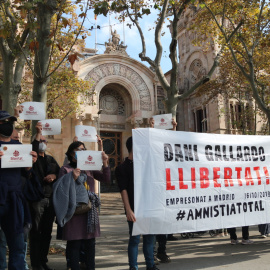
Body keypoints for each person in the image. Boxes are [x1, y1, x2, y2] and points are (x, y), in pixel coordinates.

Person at [54, 140, 110, 270]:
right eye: (79, 150)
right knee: (75, 244)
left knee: (90, 244)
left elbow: (105, 179)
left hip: (89, 211)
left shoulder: (88, 168)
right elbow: (60, 189)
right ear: (71, 154)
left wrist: (105, 163)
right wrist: (72, 178)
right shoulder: (65, 169)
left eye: (84, 150)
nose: (82, 152)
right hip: (74, 212)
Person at [0, 110, 37, 269]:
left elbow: (26, 174)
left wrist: (30, 166)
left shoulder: (19, 147)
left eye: (11, 122)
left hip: (15, 201)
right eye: (4, 122)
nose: (8, 125)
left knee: (18, 245)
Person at [115, 137, 159, 270]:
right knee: (134, 240)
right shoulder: (122, 168)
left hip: (148, 208)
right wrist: (128, 210)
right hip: (134, 208)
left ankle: (150, 265)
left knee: (149, 239)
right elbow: (123, 190)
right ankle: (133, 267)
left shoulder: (146, 165)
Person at [29, 123, 60, 270]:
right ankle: (36, 263)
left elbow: (60, 174)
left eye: (44, 141)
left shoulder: (51, 160)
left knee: (47, 232)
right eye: (40, 141)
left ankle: (43, 260)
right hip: (36, 199)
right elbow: (34, 146)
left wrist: (53, 175)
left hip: (50, 200)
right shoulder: (32, 159)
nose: (42, 144)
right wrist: (38, 132)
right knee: (35, 232)